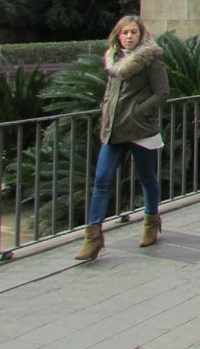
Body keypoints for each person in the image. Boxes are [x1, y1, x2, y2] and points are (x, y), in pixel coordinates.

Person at [74, 15, 169, 261]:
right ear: (118, 35)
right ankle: (93, 236)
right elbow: (110, 91)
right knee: (101, 180)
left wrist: (139, 111)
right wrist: (106, 112)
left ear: (140, 35)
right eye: (124, 32)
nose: (129, 37)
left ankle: (151, 220)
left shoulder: (150, 60)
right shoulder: (113, 60)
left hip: (140, 130)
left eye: (133, 32)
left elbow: (162, 93)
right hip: (114, 130)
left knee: (147, 178)